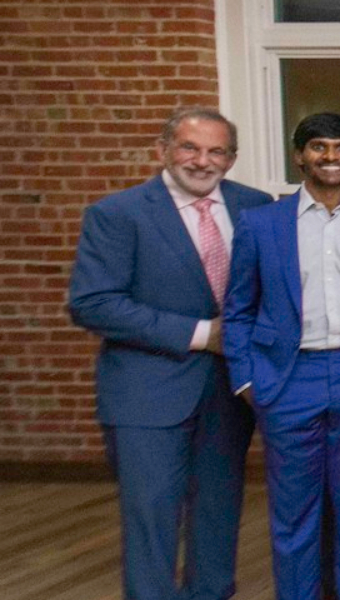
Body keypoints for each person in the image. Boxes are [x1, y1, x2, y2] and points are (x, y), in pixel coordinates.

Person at [69, 106, 271, 600]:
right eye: (190, 147)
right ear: (163, 149)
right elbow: (94, 303)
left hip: (230, 392)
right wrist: (204, 334)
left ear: (232, 158)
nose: (202, 161)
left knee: (219, 512)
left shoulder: (258, 207)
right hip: (146, 395)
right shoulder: (118, 214)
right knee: (151, 516)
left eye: (216, 151)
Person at [224, 112, 340, 600]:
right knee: (293, 513)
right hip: (288, 379)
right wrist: (247, 379)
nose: (330, 158)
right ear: (299, 156)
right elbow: (239, 307)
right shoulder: (261, 224)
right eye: (318, 148)